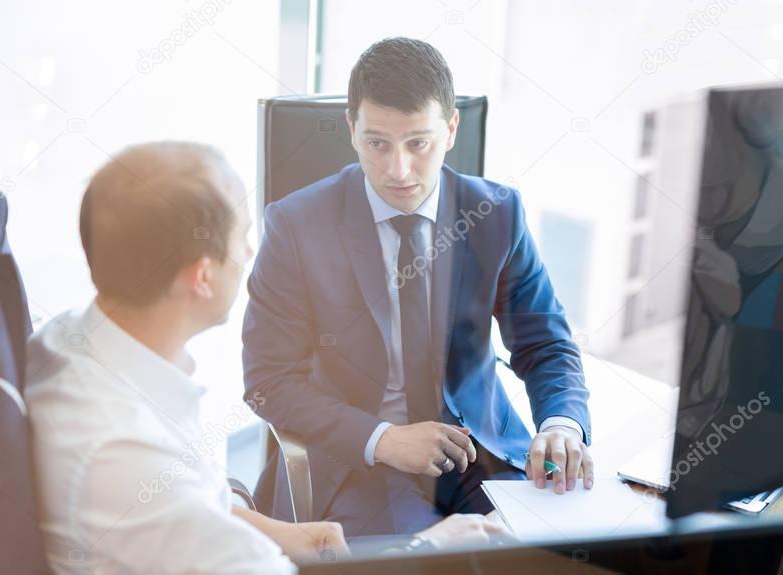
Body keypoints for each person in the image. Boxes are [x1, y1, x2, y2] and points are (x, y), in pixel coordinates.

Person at [25, 142, 510, 574]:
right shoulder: (126, 454)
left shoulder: (73, 338)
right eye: (241, 240)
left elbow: (191, 507)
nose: (251, 251)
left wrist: (280, 533)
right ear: (202, 277)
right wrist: (427, 550)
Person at [243, 37, 593, 538]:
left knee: (548, 554)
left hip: (483, 454)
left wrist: (562, 423)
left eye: (418, 143)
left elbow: (546, 343)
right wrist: (382, 438)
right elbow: (268, 381)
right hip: (360, 466)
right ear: (351, 129)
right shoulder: (296, 226)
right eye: (377, 143)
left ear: (450, 130)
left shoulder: (496, 214)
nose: (398, 170)